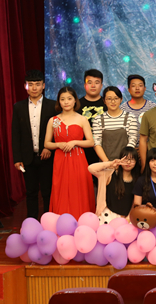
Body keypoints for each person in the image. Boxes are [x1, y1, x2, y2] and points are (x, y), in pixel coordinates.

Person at [11, 70, 57, 219]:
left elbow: (58, 130)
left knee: (47, 191)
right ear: (26, 86)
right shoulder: (18, 107)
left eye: (37, 84)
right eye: (30, 84)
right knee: (30, 192)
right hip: (27, 157)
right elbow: (15, 133)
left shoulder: (53, 106)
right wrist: (17, 158)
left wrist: (49, 147)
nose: (34, 88)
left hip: (47, 156)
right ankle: (32, 221)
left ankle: (48, 220)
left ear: (43, 86)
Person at [44, 87, 95, 219]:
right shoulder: (53, 120)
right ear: (59, 102)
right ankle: (61, 221)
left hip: (78, 159)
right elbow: (46, 144)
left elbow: (91, 142)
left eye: (69, 99)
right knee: (60, 189)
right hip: (60, 160)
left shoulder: (82, 119)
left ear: (75, 100)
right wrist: (58, 144)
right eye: (62, 99)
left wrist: (75, 142)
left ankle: (81, 220)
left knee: (78, 189)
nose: (66, 102)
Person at [88, 147, 140, 224]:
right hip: (107, 215)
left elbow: (135, 203)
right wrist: (111, 163)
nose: (128, 162)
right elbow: (91, 168)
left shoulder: (137, 179)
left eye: (132, 159)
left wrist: (128, 218)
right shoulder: (110, 174)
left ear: (136, 162)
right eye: (126, 159)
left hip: (126, 218)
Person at [92, 86, 139, 162]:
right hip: (105, 163)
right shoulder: (98, 119)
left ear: (121, 99)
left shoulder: (130, 117)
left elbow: (132, 140)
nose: (113, 102)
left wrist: (123, 161)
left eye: (116, 98)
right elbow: (97, 143)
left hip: (126, 162)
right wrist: (108, 163)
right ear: (104, 101)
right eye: (109, 99)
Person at [78, 69, 105, 166]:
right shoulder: (76, 105)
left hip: (105, 151)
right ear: (84, 85)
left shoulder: (108, 104)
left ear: (101, 85)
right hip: (82, 152)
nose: (93, 86)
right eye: (89, 82)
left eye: (97, 83)